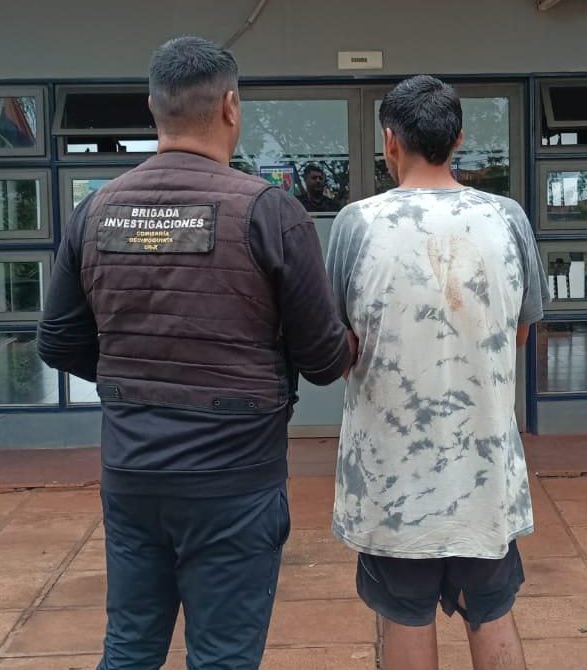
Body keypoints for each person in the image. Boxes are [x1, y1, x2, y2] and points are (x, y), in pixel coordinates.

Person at [36, 36, 354, 670]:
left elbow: (58, 341)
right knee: (224, 657)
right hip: (234, 480)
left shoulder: (95, 211)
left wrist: (135, 377)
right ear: (231, 107)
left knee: (129, 646)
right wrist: (355, 339)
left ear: (153, 109)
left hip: (132, 472)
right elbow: (324, 361)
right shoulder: (270, 212)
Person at [326, 75, 548, 670]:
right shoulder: (507, 219)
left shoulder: (357, 223)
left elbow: (339, 343)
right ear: (459, 139)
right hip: (484, 472)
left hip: (393, 477)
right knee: (491, 611)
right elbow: (519, 333)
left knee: (404, 617)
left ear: (390, 141)